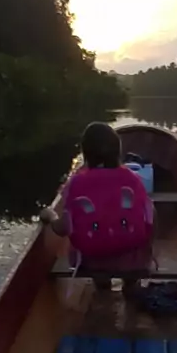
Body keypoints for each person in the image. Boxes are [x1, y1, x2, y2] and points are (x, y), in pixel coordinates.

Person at [40, 122, 156, 292]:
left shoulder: (76, 184)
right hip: (132, 259)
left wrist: (51, 217)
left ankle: (102, 284)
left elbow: (63, 228)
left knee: (94, 250)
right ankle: (131, 283)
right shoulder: (133, 179)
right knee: (149, 212)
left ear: (86, 155)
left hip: (92, 261)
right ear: (118, 152)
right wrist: (149, 247)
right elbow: (150, 217)